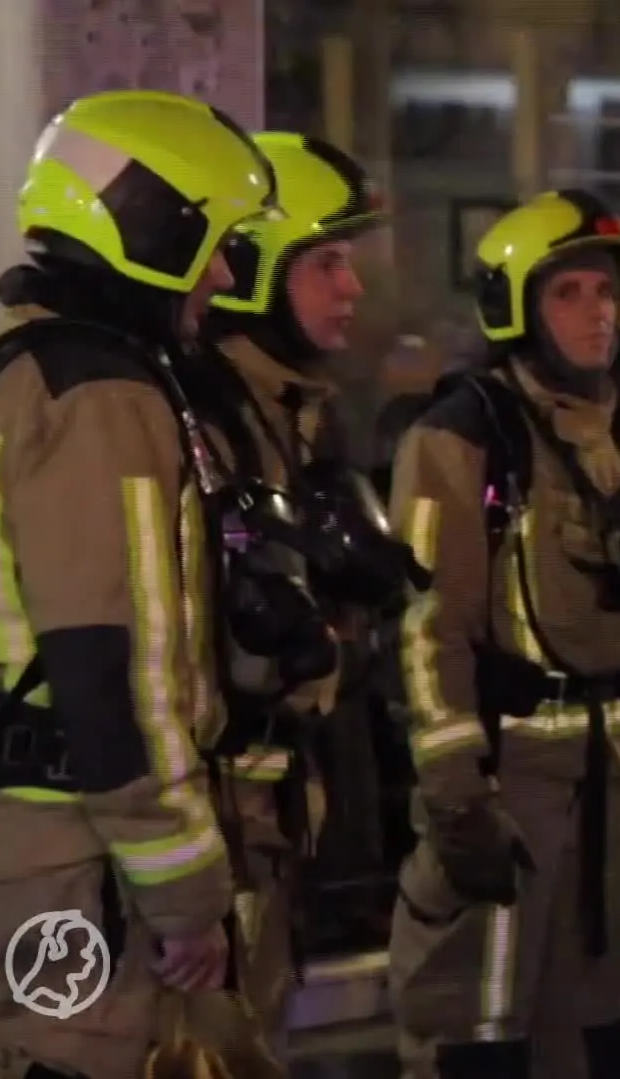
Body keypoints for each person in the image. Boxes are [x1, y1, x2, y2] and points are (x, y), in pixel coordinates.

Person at [0, 89, 278, 1079]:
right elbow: (113, 671)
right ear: (153, 229)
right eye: (216, 245)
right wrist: (185, 896)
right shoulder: (103, 398)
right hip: (69, 864)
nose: (224, 276)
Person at [385, 189, 620, 1079]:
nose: (597, 312)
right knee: (479, 1029)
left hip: (614, 773)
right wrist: (458, 796)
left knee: (604, 1033)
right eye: (567, 292)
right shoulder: (464, 437)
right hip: (510, 780)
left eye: (607, 291)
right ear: (517, 307)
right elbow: (426, 629)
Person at [196, 130, 390, 1043]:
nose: (353, 288)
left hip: (271, 806)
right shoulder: (201, 420)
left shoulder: (290, 413)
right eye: (326, 264)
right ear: (252, 267)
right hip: (214, 818)